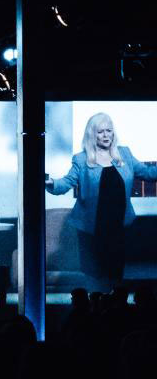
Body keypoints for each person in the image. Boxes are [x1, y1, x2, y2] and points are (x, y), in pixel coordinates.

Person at [45, 112, 157, 290]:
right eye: (101, 132)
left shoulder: (124, 154)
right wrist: (50, 183)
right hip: (92, 228)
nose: (106, 135)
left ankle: (114, 311)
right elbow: (66, 183)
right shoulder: (81, 159)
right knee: (95, 276)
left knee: (115, 274)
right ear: (92, 134)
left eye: (109, 131)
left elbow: (147, 173)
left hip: (119, 226)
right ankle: (94, 311)